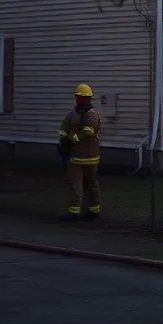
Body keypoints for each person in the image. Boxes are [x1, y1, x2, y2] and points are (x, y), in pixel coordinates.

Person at [57, 84, 101, 221]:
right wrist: (63, 139)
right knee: (84, 184)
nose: (78, 99)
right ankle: (85, 211)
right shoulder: (73, 114)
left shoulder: (91, 115)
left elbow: (88, 131)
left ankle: (87, 211)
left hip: (84, 156)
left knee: (83, 184)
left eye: (80, 97)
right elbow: (63, 128)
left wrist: (72, 140)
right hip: (77, 156)